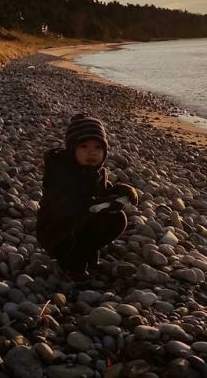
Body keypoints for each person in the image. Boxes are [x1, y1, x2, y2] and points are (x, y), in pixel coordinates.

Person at [36, 113, 138, 281]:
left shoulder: (95, 173)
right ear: (72, 148)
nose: (91, 152)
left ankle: (86, 253)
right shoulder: (61, 173)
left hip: (82, 221)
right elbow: (64, 206)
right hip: (57, 231)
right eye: (84, 146)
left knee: (117, 218)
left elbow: (103, 192)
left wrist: (120, 192)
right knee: (93, 219)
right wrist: (98, 204)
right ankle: (72, 263)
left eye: (98, 147)